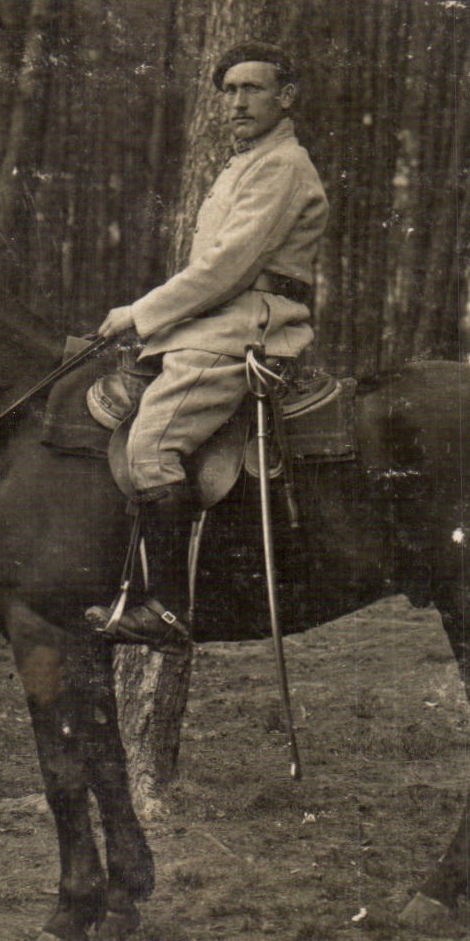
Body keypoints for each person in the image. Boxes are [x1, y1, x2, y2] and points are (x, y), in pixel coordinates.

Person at [85, 42, 329, 649]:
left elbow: (225, 269)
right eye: (229, 91)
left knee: (150, 449)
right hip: (213, 325)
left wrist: (139, 314)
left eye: (253, 89)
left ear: (286, 98)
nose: (238, 102)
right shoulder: (245, 163)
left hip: (243, 329)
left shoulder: (281, 166)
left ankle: (168, 610)